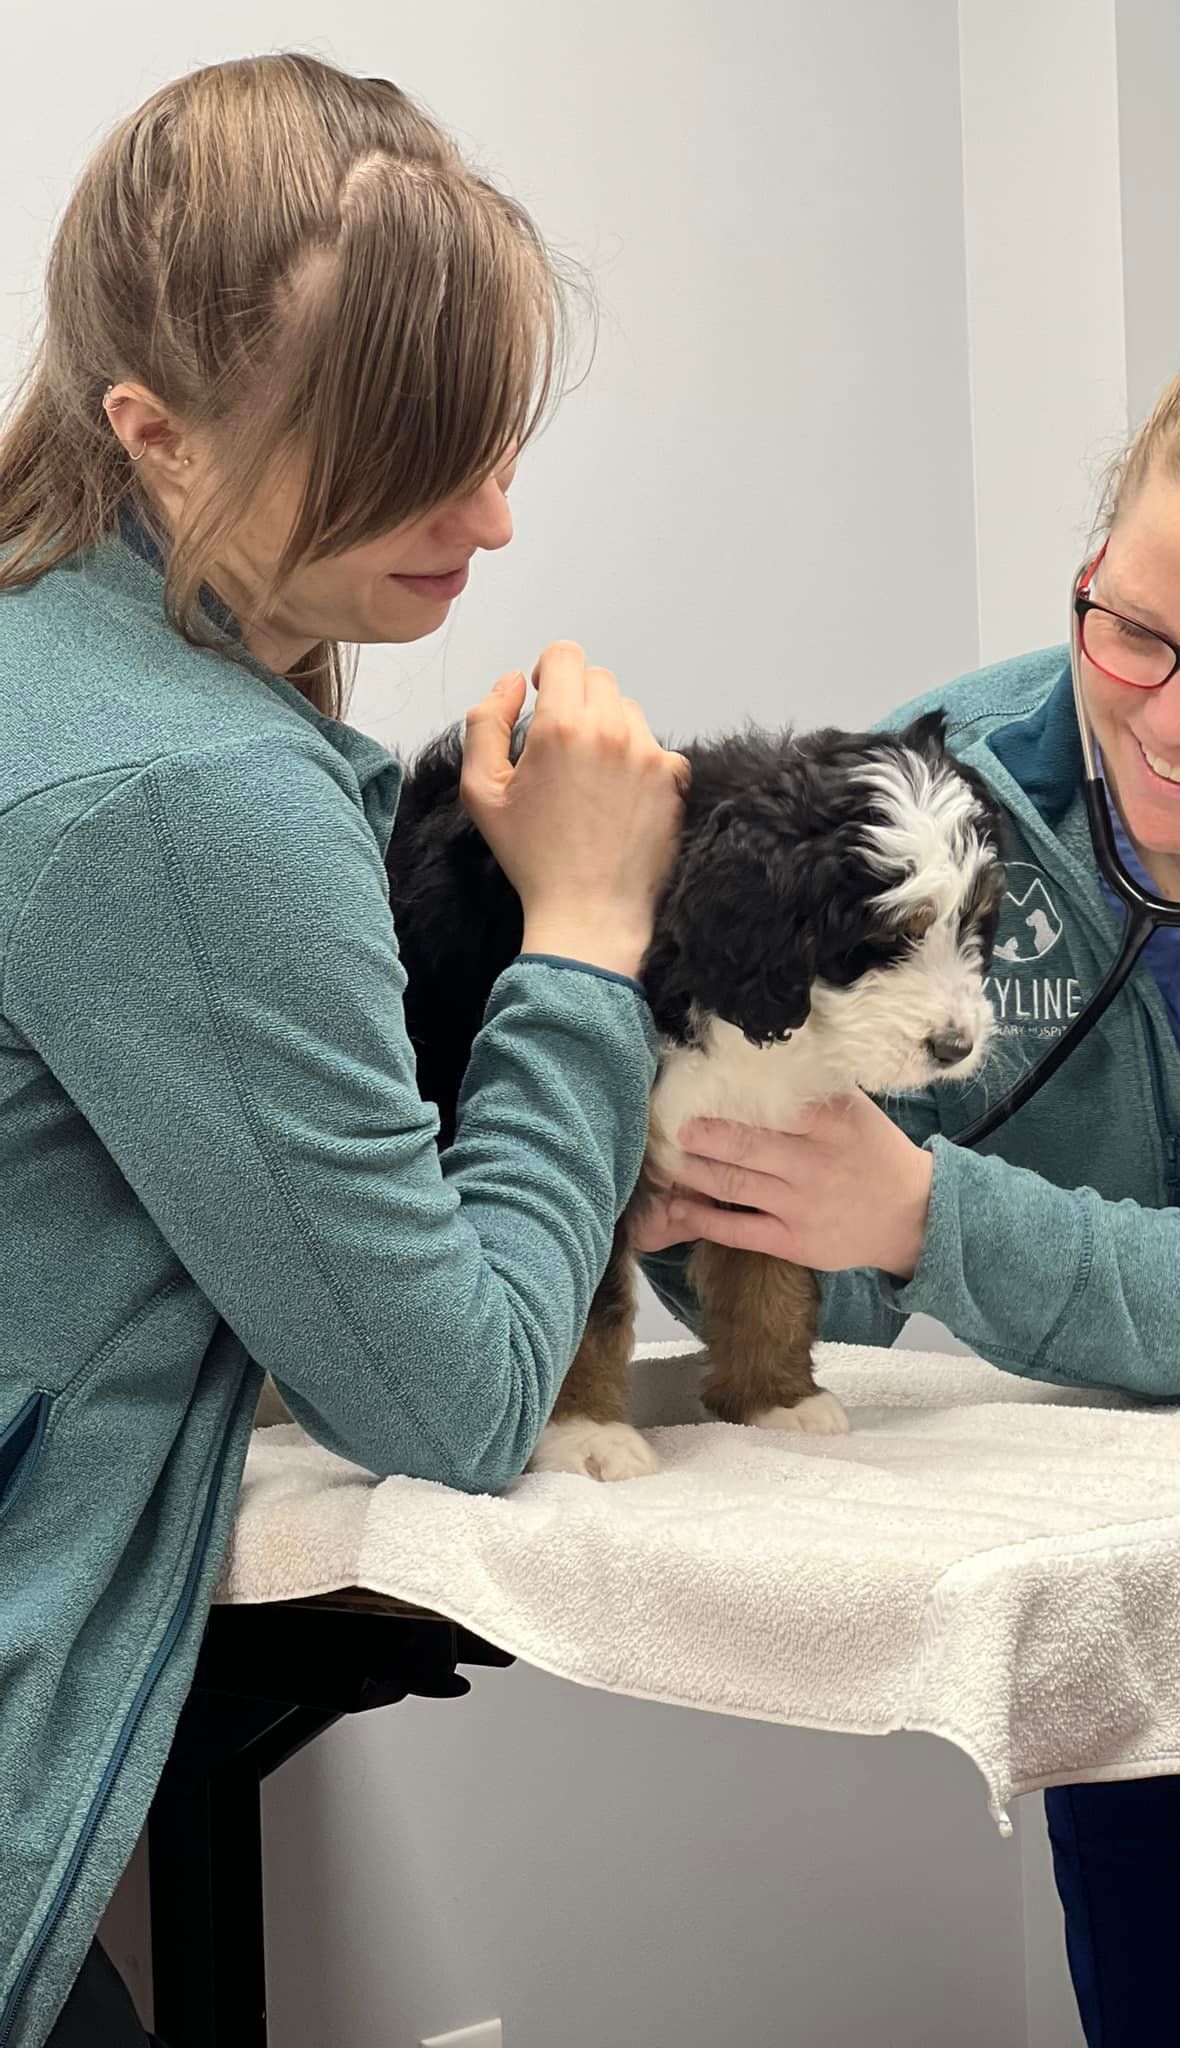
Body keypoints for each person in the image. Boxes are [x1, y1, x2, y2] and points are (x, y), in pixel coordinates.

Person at [637, 309, 1180, 2045]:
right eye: (1129, 631)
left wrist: (919, 1213)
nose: (1173, 725)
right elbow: (810, 1257)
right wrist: (699, 1206)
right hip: (1166, 1511)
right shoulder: (948, 784)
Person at [0, 54, 686, 2047]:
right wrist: (585, 921)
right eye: (401, 456)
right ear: (156, 434)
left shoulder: (59, 655)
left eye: (482, 440)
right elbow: (454, 1397)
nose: (485, 517)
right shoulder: (181, 784)